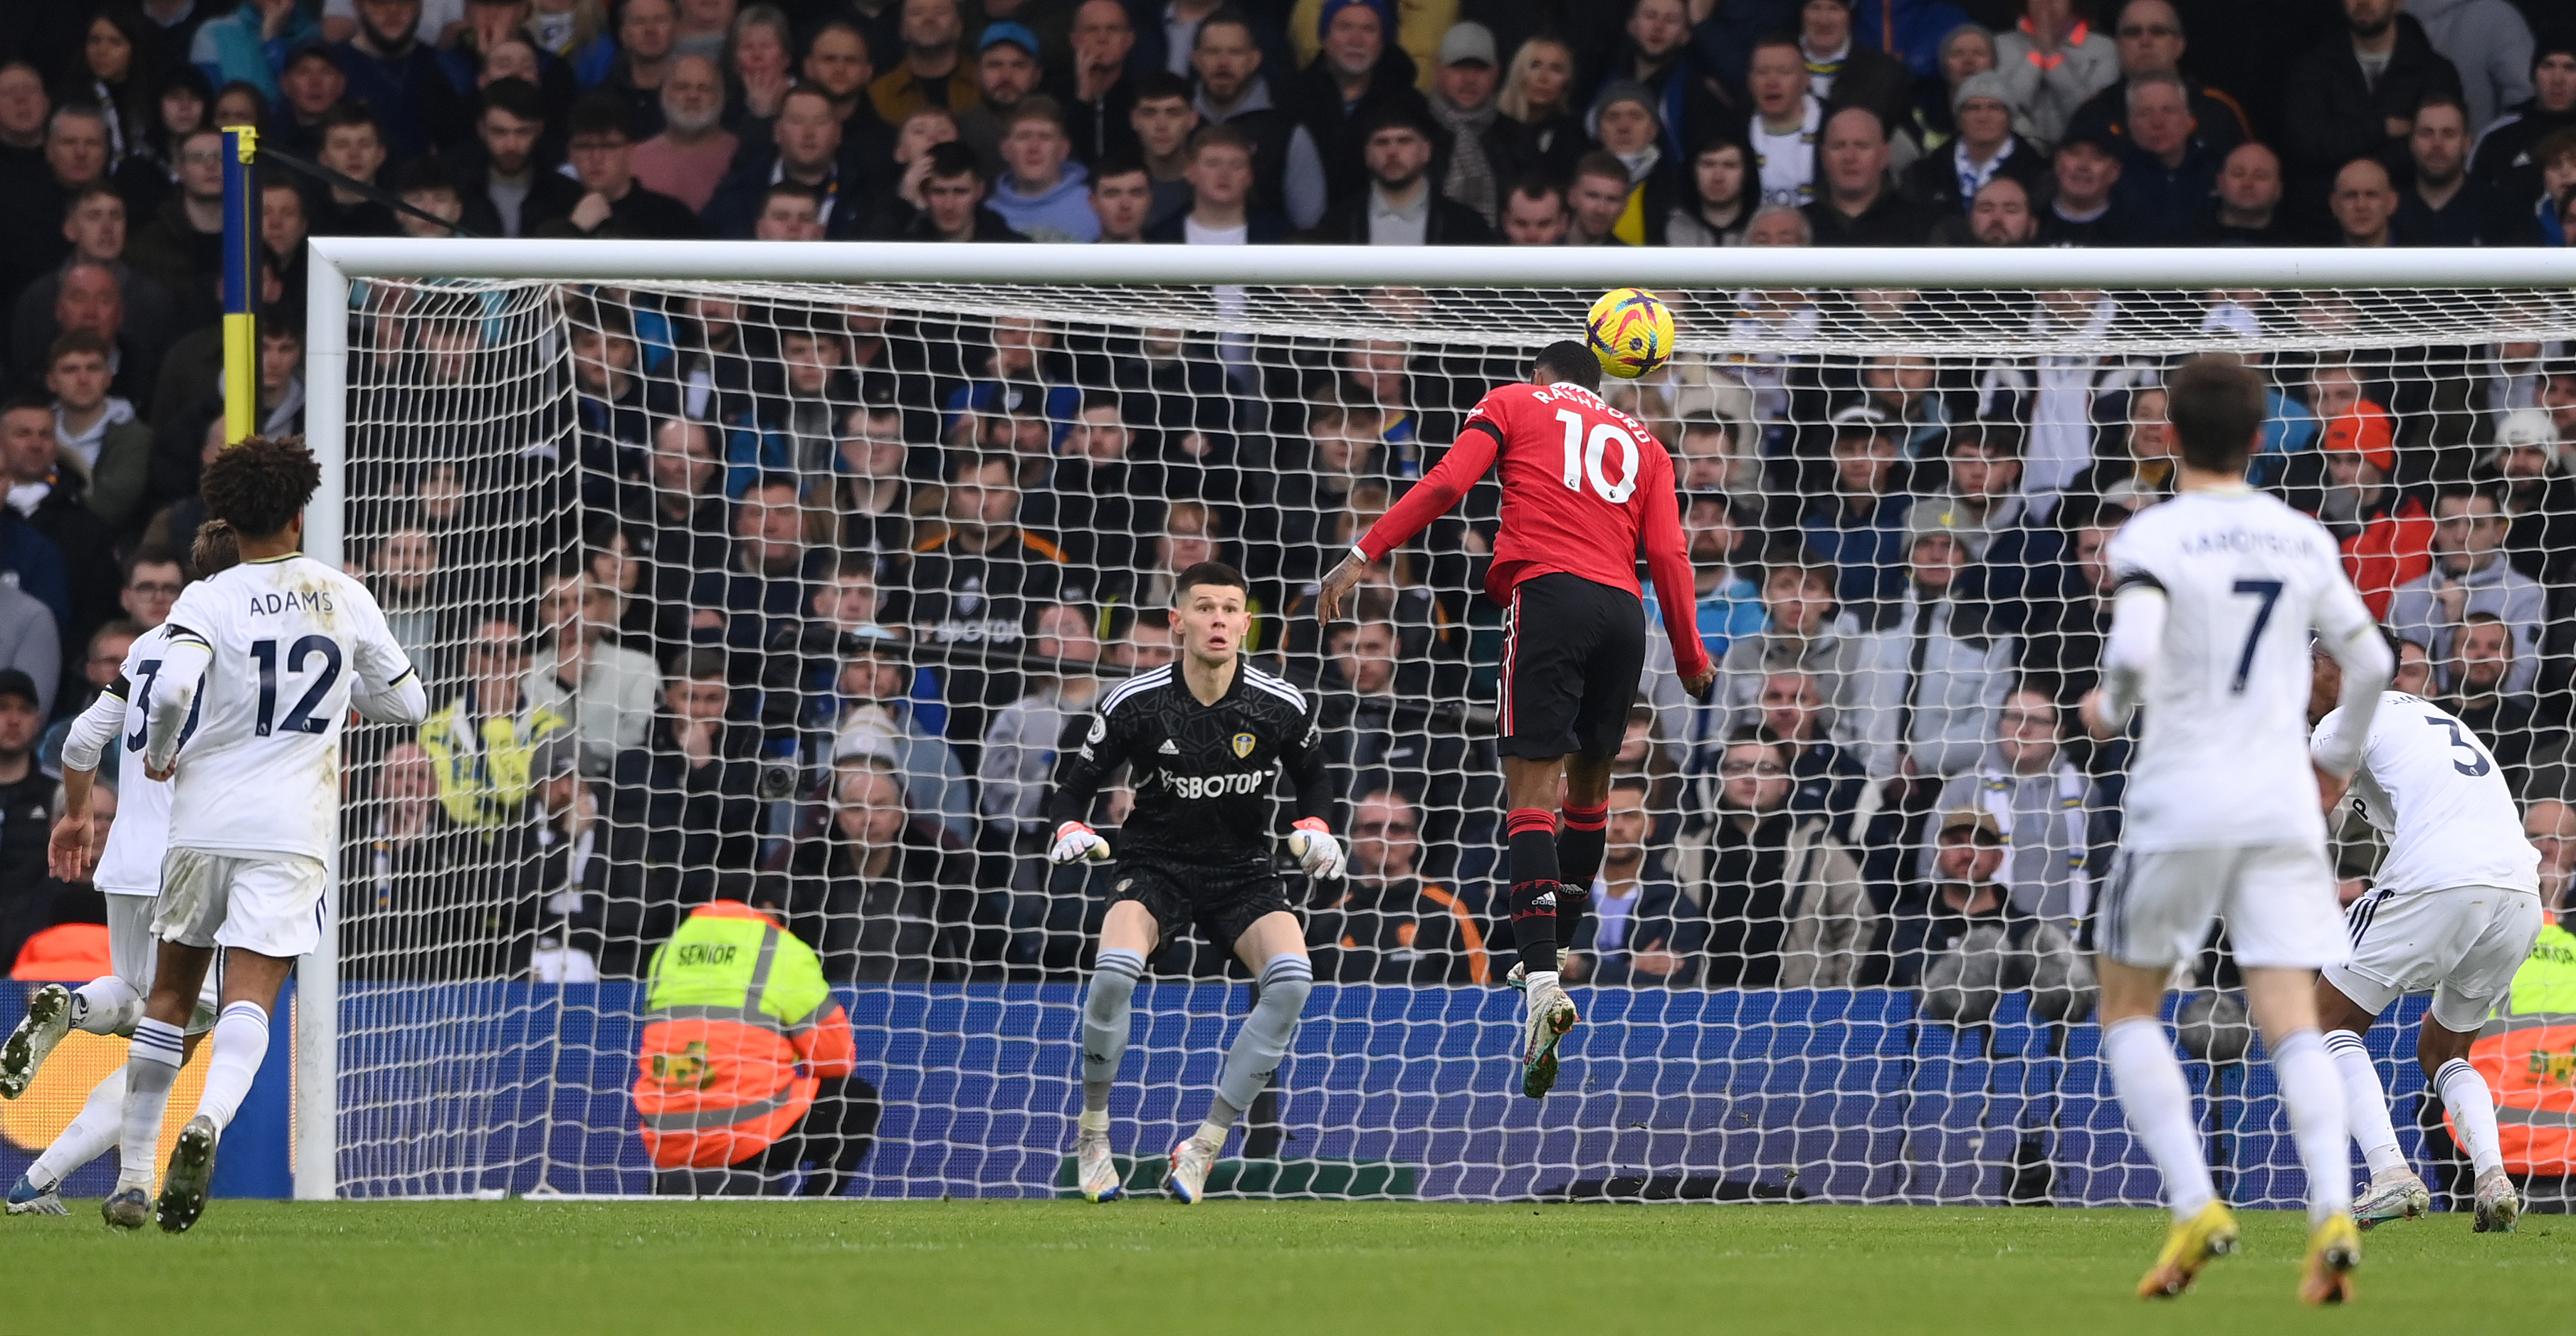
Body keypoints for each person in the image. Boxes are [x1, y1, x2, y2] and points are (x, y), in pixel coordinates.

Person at [2076, 354, 2394, 1303]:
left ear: (2164, 436)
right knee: (2289, 1016)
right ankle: (2331, 1210)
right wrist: (2332, 765)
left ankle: (2193, 1204)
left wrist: (2107, 703)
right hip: (2276, 804)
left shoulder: (2153, 534)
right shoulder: (2299, 538)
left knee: (2129, 1006)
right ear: (2261, 439)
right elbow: (2370, 662)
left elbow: (2132, 648)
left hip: (2179, 798)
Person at [1318, 340, 1710, 1100]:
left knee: (1529, 798)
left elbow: (1446, 482)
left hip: (1549, 596)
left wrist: (1364, 550)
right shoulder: (1645, 443)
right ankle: (1554, 955)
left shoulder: (1513, 401)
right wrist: (1691, 655)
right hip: (1623, 614)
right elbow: (1667, 551)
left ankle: (1537, 979)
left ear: (1541, 375)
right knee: (1589, 797)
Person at [110, 436, 427, 1234]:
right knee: (252, 994)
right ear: (297, 511)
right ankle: (209, 1119)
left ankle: (132, 1176)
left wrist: (158, 752)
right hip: (292, 828)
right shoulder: (339, 592)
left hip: (203, 822)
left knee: (171, 995)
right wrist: (342, 697)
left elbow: (176, 683)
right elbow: (410, 707)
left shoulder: (207, 597)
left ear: (228, 513)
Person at [1048, 561, 1340, 1204]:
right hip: (1154, 865)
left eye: (1230, 609)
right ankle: (1093, 1132)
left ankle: (1205, 1144)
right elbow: (1071, 789)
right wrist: (1070, 826)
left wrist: (1316, 824)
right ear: (1177, 621)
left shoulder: (1279, 702)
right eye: (1204, 608)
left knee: (1292, 983)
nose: (1218, 620)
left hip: (1241, 871)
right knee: (1114, 973)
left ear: (1245, 623)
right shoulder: (1134, 700)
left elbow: (1316, 779)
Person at [0, 525, 238, 1214]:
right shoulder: (238, 648)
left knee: (138, 999)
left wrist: (76, 813)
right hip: (194, 857)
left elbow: (79, 739)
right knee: (178, 1032)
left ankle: (72, 1015)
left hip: (127, 859)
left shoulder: (149, 646)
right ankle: (128, 1178)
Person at [2306, 635, 2541, 1233]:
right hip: (2517, 888)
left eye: (2308, 659)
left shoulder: (2344, 720)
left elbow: (2316, 801)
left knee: (2325, 1022)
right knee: (2442, 1050)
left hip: (2441, 876)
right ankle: (2492, 1177)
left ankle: (2388, 1173)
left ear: (2342, 667)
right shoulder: (2431, 715)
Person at [633, 888, 878, 1196]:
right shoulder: (779, 946)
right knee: (858, 1102)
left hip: (668, 1135)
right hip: (748, 1129)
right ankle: (817, 1211)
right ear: (768, 907)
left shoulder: (669, 949)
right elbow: (834, 1059)